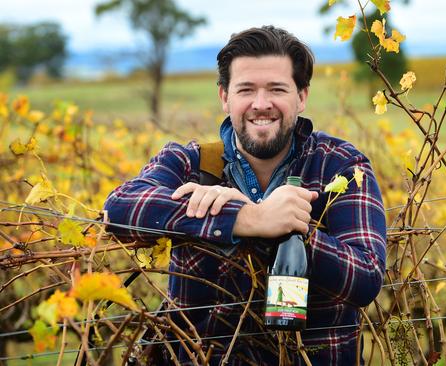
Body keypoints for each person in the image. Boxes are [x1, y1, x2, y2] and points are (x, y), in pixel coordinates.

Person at [104, 25, 386, 365]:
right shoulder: (191, 162)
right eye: (246, 89)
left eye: (277, 89)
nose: (261, 104)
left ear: (302, 96)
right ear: (225, 97)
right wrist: (246, 218)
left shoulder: (338, 167)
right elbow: (118, 209)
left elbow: (367, 278)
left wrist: (296, 232)